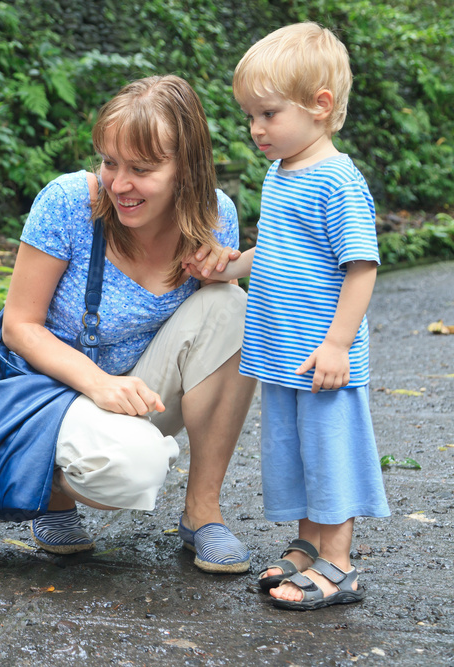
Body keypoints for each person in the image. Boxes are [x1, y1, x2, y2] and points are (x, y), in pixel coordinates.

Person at [1, 75, 257, 573]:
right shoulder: (70, 202)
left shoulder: (213, 213)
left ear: (187, 169)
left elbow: (216, 340)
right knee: (134, 471)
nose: (119, 184)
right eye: (110, 162)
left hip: (141, 399)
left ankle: (202, 512)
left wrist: (222, 269)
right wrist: (100, 385)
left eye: (142, 168)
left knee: (232, 305)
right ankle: (51, 489)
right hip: (53, 399)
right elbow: (19, 327)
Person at [185, 23, 390, 608]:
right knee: (293, 455)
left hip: (323, 356)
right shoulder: (281, 174)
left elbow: (362, 268)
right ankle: (306, 544)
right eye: (250, 115)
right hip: (279, 355)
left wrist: (337, 345)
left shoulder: (337, 181)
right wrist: (226, 268)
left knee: (330, 456)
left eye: (268, 114)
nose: (255, 129)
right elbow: (275, 252)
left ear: (320, 107)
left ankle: (340, 563)